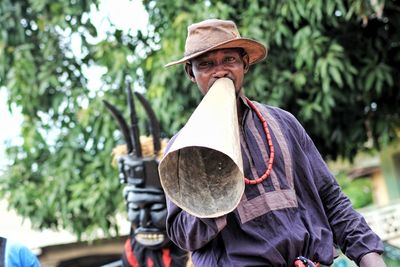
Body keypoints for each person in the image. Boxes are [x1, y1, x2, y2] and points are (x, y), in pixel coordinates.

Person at [162, 19, 386, 267]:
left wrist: (369, 256)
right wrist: (211, 194)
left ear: (244, 63)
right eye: (205, 64)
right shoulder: (182, 149)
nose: (220, 71)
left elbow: (331, 199)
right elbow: (183, 235)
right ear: (191, 74)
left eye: (229, 60)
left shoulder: (283, 123)